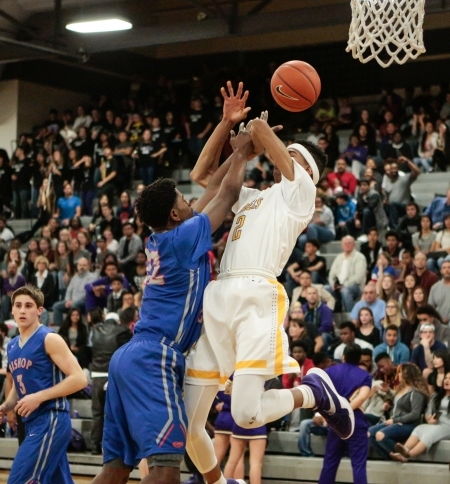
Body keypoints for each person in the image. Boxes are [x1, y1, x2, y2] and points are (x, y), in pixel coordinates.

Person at [91, 84, 255, 484]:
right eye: (183, 199)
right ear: (175, 214)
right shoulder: (183, 239)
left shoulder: (166, 235)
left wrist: (227, 125)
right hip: (154, 358)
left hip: (129, 358)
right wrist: (245, 148)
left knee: (114, 470)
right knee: (165, 469)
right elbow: (228, 190)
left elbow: (212, 188)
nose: (189, 200)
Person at [184, 104, 354, 484]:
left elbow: (268, 140)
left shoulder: (301, 194)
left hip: (257, 296)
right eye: (283, 151)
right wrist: (229, 130)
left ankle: (313, 394)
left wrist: (259, 129)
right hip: (219, 295)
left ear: (308, 169)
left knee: (246, 414)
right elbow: (203, 175)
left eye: (291, 153)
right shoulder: (253, 196)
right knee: (189, 422)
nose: (281, 156)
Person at [0, 286, 88, 484]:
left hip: (51, 418)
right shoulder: (12, 345)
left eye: (29, 305)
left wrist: (39, 397)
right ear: (12, 311)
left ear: (40, 310)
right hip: (32, 421)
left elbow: (79, 379)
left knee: (20, 479)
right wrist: (5, 406)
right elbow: (20, 385)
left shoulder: (49, 338)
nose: (23, 310)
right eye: (18, 305)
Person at [317, 344, 372, 484]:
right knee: (358, 465)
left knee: (330, 463)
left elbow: (321, 395)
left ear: (343, 356)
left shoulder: (330, 372)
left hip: (335, 421)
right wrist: (346, 411)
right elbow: (362, 397)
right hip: (356, 421)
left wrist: (330, 415)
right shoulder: (365, 376)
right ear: (360, 359)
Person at [391, 369, 450, 462]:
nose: (447, 380)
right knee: (419, 429)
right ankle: (404, 450)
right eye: (445, 378)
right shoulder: (435, 396)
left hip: (447, 427)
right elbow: (427, 413)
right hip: (434, 424)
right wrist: (429, 419)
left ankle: (407, 455)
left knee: (427, 436)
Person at [90, 309, 136, 455]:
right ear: (117, 321)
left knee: (97, 413)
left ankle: (94, 446)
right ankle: (115, 448)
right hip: (113, 375)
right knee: (115, 413)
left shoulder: (95, 330)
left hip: (96, 375)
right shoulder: (122, 331)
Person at [368, 363, 428, 460]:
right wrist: (388, 398)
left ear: (407, 375)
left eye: (400, 373)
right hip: (396, 421)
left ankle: (401, 455)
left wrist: (395, 420)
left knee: (380, 435)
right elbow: (398, 405)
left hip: (409, 424)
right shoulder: (401, 389)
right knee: (369, 433)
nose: (398, 375)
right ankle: (389, 458)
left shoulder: (416, 393)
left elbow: (415, 414)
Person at [327, 235, 367, 312]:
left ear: (354, 245)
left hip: (355, 287)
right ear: (342, 245)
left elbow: (358, 277)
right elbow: (331, 274)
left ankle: (351, 316)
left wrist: (344, 285)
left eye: (349, 243)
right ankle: (330, 314)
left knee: (345, 290)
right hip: (338, 286)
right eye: (345, 243)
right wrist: (333, 285)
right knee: (324, 289)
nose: (347, 245)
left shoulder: (359, 257)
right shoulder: (339, 257)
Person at [51, 257, 96, 326]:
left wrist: (73, 301)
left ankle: (70, 326)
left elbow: (87, 293)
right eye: (80, 265)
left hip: (84, 302)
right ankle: (59, 328)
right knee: (56, 306)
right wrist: (67, 300)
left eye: (84, 265)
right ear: (77, 266)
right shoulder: (75, 277)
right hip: (72, 301)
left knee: (75, 305)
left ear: (88, 266)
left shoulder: (92, 277)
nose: (82, 267)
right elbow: (69, 291)